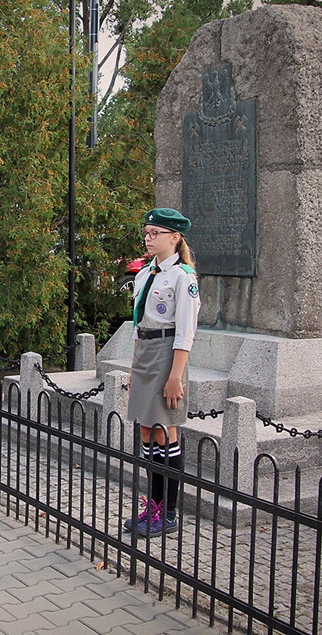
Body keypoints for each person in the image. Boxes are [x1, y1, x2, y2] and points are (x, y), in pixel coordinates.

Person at [123, 208, 200, 538]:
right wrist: (134, 366)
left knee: (164, 432)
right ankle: (151, 505)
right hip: (145, 355)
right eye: (146, 232)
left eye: (156, 233)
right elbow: (140, 325)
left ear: (175, 237)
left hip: (168, 356)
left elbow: (185, 332)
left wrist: (175, 377)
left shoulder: (183, 278)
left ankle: (167, 511)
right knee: (145, 433)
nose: (148, 238)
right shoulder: (144, 274)